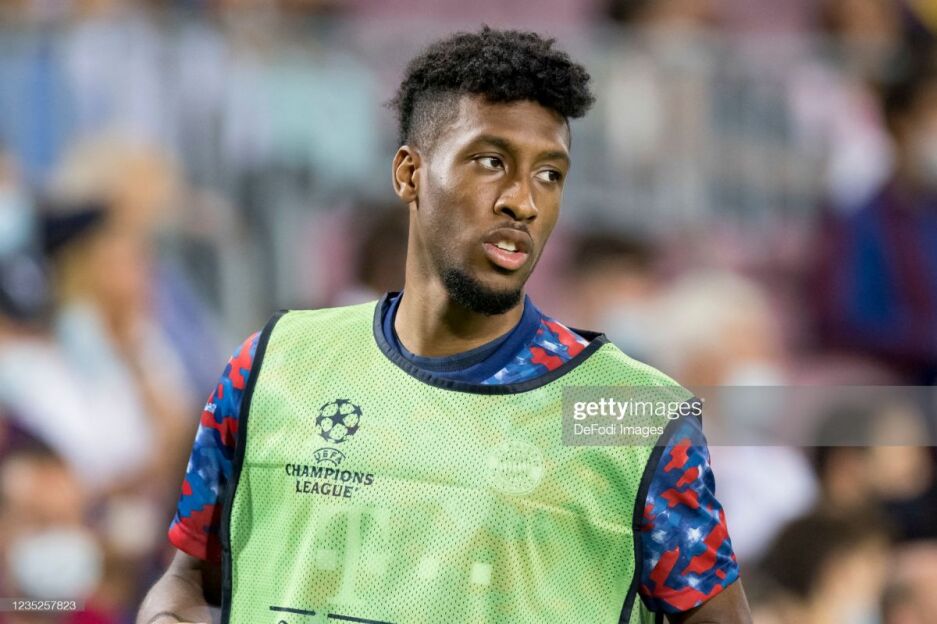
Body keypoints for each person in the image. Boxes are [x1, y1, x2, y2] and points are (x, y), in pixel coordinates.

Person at [137, 27, 751, 624]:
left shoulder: (625, 412)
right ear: (409, 174)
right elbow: (188, 580)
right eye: (491, 161)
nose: (523, 201)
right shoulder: (274, 364)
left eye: (549, 174)